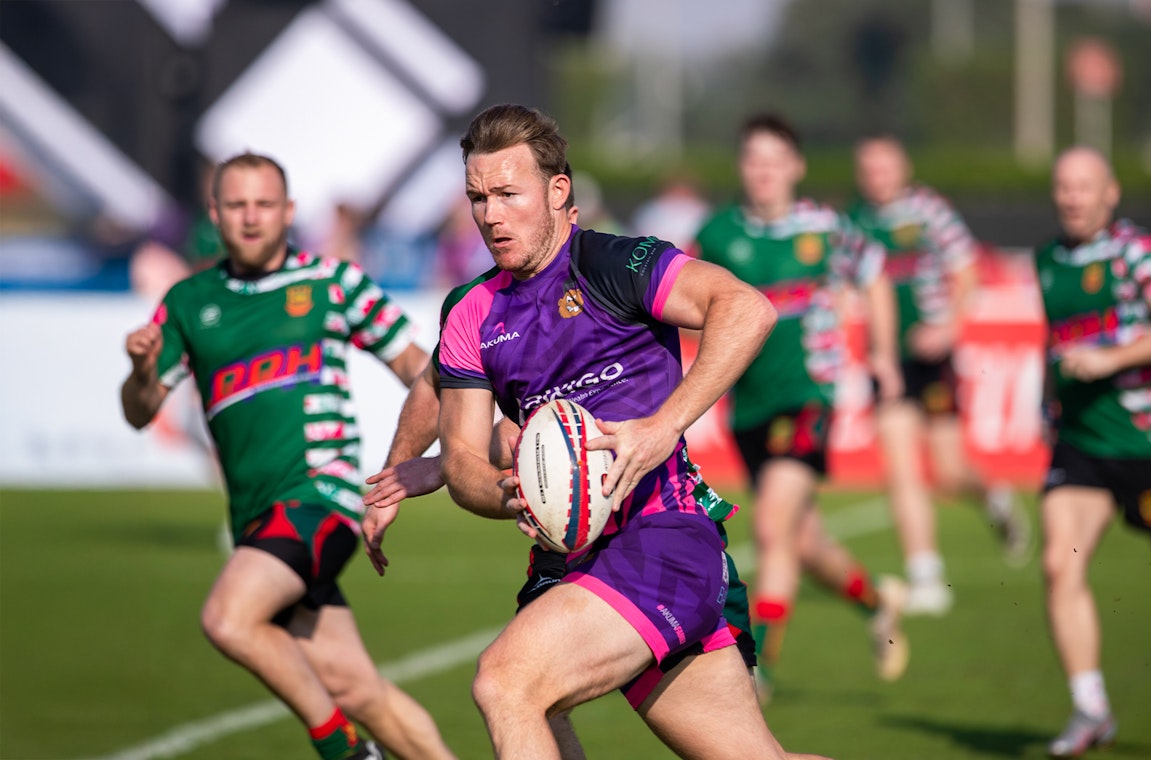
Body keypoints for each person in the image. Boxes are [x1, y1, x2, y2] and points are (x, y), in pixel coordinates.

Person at [431, 102, 814, 760]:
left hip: (663, 537)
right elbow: (462, 458)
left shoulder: (617, 264)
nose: (490, 215)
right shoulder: (471, 311)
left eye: (507, 194)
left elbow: (745, 309)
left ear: (558, 192)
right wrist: (508, 494)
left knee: (507, 683)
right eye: (477, 197)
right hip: (568, 558)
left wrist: (662, 426)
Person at [120, 152, 455, 760]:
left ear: (289, 212)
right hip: (256, 517)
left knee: (228, 618)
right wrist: (142, 372)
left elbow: (419, 368)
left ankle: (344, 751)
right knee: (359, 689)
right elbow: (140, 410)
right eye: (237, 205)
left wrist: (465, 437)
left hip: (319, 501)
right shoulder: (189, 302)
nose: (251, 218)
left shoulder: (331, 282)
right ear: (215, 213)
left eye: (264, 204)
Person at [693, 113, 909, 699]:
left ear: (796, 167)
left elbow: (876, 278)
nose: (763, 173)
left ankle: (750, 664)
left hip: (809, 398)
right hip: (749, 409)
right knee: (805, 543)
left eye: (774, 161)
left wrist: (884, 355)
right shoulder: (715, 235)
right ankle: (878, 602)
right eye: (753, 161)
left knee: (770, 527)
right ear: (743, 168)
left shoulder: (826, 230)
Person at [1036, 146, 1151, 757]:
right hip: (1080, 445)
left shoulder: (1136, 252)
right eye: (1064, 187)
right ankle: (1091, 710)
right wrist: (1045, 403)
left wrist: (1110, 358)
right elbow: (1052, 340)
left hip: (1146, 444)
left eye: (1085, 187)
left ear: (1110, 193)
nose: (1073, 197)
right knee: (1061, 562)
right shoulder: (1048, 259)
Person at [848, 135, 1031, 616]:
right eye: (868, 169)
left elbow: (968, 272)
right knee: (900, 469)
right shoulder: (853, 223)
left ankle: (993, 496)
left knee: (948, 471)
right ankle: (926, 577)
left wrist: (948, 325)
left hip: (932, 356)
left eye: (885, 168)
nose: (877, 178)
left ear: (903, 169)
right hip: (887, 360)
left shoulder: (930, 212)